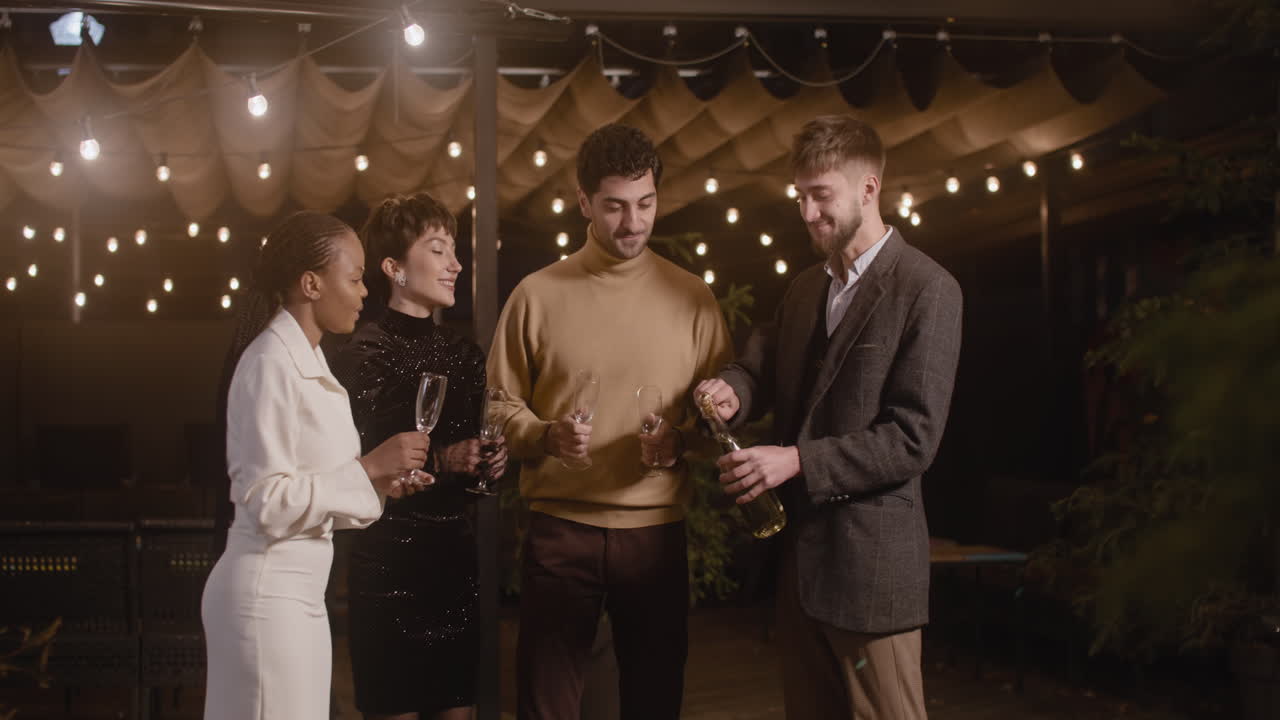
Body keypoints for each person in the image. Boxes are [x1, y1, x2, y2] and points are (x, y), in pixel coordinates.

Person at [696, 115, 963, 720]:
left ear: (869, 188)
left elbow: (912, 439)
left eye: (822, 196)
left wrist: (793, 460)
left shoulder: (930, 289)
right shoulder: (803, 291)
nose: (808, 213)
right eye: (801, 197)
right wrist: (731, 390)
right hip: (800, 573)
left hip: (872, 573)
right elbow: (757, 369)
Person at [486, 123, 733, 720]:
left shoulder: (693, 298)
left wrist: (681, 443)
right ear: (584, 204)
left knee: (655, 702)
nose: (633, 223)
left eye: (645, 204)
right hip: (559, 532)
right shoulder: (536, 295)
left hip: (657, 535)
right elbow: (497, 407)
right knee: (546, 705)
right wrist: (545, 435)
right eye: (616, 207)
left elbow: (721, 421)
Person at [202, 211, 432, 720]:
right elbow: (264, 501)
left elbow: (321, 487)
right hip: (266, 596)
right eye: (353, 279)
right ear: (311, 284)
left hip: (300, 597)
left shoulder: (310, 363)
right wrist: (369, 467)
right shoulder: (270, 363)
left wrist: (380, 484)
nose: (363, 292)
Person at [330, 192, 508, 720]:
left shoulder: (465, 355)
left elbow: (478, 462)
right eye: (437, 250)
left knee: (460, 709)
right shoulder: (366, 352)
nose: (455, 264)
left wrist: (492, 464)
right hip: (388, 566)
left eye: (454, 250)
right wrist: (443, 460)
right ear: (394, 268)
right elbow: (359, 461)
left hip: (454, 564)